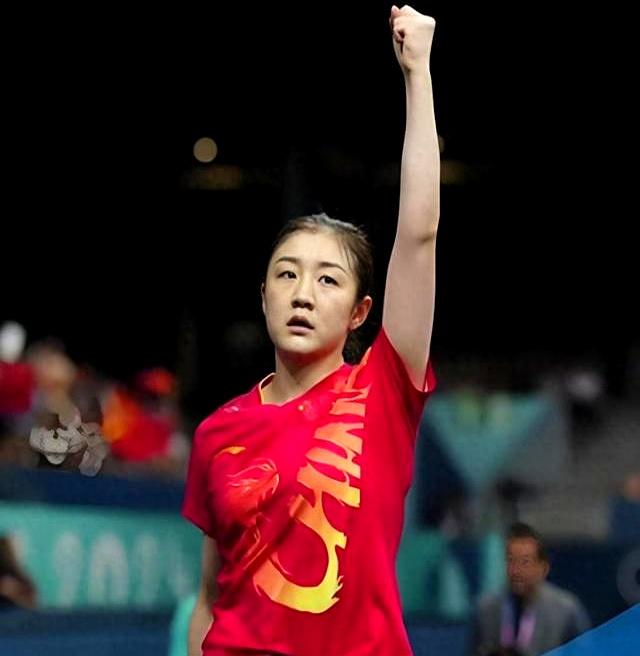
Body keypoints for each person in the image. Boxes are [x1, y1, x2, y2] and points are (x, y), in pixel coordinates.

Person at [182, 5, 439, 655]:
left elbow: (419, 233)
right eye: (287, 274)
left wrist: (418, 73)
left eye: (328, 280)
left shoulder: (383, 391)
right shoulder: (217, 432)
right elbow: (210, 598)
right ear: (263, 295)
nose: (302, 293)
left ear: (359, 311)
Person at [469, 522, 590, 656]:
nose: (516, 571)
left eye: (525, 562)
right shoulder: (486, 610)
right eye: (511, 561)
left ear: (543, 568)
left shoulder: (566, 611)